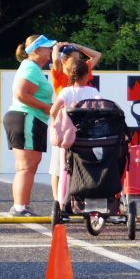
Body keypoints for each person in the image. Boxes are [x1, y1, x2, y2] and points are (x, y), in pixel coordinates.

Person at [2, 34, 56, 216]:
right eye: (47, 48)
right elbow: (21, 94)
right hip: (27, 116)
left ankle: (22, 205)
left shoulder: (32, 68)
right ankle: (19, 207)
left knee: (28, 165)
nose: (50, 51)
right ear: (35, 50)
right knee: (26, 165)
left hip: (28, 117)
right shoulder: (31, 68)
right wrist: (48, 108)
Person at [48, 55, 101, 209]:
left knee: (61, 169)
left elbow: (53, 111)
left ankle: (60, 202)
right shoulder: (92, 91)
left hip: (66, 138)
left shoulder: (65, 92)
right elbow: (100, 106)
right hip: (86, 136)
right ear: (86, 75)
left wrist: (55, 124)